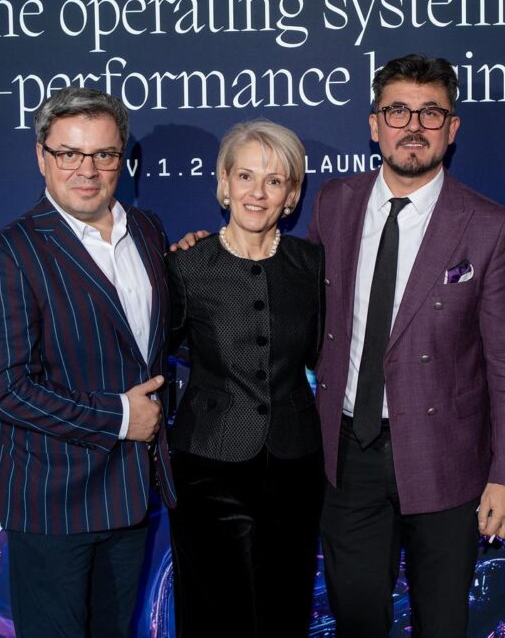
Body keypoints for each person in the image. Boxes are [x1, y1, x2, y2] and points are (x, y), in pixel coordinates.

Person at [308, 54, 505, 636]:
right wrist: (210, 253)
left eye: (431, 112)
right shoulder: (333, 203)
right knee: (357, 619)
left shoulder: (489, 225)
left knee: (441, 622)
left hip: (446, 459)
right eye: (398, 111)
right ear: (374, 124)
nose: (414, 126)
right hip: (348, 455)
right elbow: (298, 304)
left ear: (452, 128)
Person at [0, 86, 175, 637]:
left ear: (121, 159)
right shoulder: (9, 252)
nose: (87, 169)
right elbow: (7, 388)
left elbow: (153, 339)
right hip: (51, 498)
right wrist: (120, 417)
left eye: (103, 154)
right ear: (42, 157)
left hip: (129, 495)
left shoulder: (147, 231)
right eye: (69, 153)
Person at [165, 120, 325, 637]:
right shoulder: (187, 266)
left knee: (285, 611)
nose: (258, 193)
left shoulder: (311, 265)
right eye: (246, 176)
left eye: (274, 181)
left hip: (295, 465)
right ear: (224, 183)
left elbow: (327, 354)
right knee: (217, 616)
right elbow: (153, 353)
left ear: (292, 194)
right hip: (208, 468)